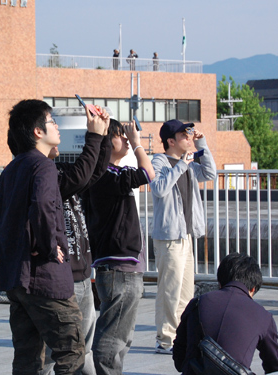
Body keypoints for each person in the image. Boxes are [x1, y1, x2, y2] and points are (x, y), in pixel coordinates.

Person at [0, 99, 85, 375]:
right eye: (52, 121)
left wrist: (22, 239)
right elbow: (42, 205)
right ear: (37, 132)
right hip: (44, 277)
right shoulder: (43, 166)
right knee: (71, 351)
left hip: (16, 278)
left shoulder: (12, 167)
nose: (57, 126)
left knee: (27, 357)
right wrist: (46, 245)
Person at [33, 106, 112, 375]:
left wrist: (104, 132)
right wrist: (94, 136)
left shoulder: (62, 172)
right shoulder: (44, 176)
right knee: (57, 350)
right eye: (51, 123)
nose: (57, 129)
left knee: (82, 346)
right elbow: (82, 174)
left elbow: (95, 171)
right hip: (59, 276)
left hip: (81, 274)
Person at [83, 120, 155, 375]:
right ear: (105, 141)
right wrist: (137, 143)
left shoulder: (105, 173)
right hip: (118, 268)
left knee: (120, 336)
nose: (125, 139)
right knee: (114, 338)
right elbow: (148, 173)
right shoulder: (106, 174)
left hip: (118, 268)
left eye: (126, 136)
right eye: (119, 136)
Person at [150, 119, 216, 354]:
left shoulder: (187, 163)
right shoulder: (159, 161)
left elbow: (209, 173)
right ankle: (165, 340)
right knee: (170, 289)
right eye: (184, 135)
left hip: (185, 235)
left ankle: (180, 338)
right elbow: (158, 188)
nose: (189, 137)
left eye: (189, 134)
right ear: (171, 141)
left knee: (186, 291)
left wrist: (202, 144)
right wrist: (180, 165)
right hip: (168, 237)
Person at [173, 253, 278, 374]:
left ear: (220, 282)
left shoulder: (197, 303)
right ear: (253, 288)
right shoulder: (263, 316)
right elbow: (274, 365)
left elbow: (179, 357)